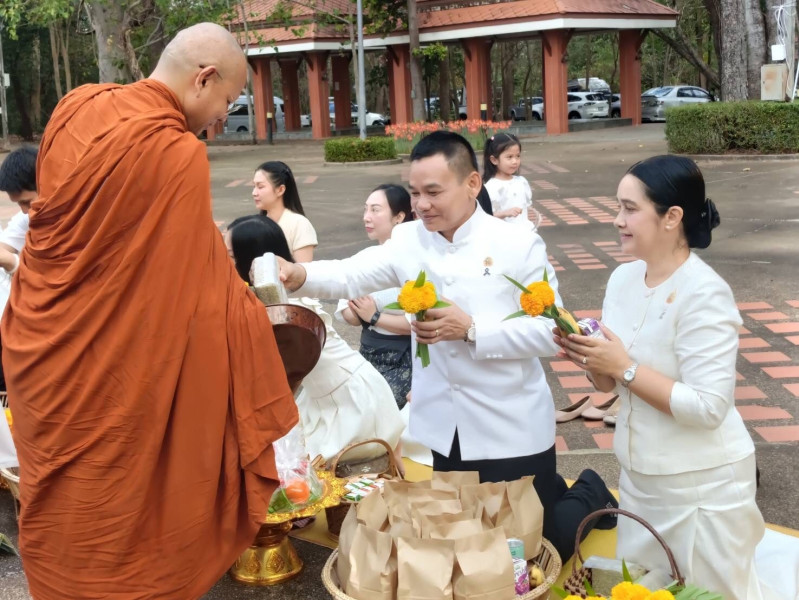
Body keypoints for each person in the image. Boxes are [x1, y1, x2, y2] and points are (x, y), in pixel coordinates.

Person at [1, 23, 299, 600]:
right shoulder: (175, 154)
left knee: (68, 519)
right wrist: (249, 317)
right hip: (120, 379)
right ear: (203, 78)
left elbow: (97, 259)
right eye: (228, 101)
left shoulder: (76, 106)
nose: (223, 118)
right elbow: (195, 295)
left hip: (48, 354)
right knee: (125, 526)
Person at [278, 131, 617, 561]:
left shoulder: (516, 243)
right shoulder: (408, 239)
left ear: (472, 183)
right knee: (467, 540)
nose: (421, 204)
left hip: (509, 423)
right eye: (415, 192)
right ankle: (549, 490)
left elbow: (549, 331)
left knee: (536, 547)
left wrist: (472, 329)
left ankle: (590, 489)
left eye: (433, 192)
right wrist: (300, 276)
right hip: (446, 426)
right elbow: (350, 273)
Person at [556, 155, 788, 600]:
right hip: (640, 476)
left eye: (629, 208)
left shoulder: (705, 293)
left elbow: (708, 407)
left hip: (701, 484)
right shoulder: (623, 278)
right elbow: (610, 385)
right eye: (618, 207)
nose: (617, 220)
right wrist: (590, 358)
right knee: (642, 586)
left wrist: (622, 366)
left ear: (672, 217)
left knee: (707, 592)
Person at [226, 214, 404, 470]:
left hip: (352, 397)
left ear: (250, 258)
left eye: (230, 255)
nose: (224, 261)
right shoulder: (268, 298)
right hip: (322, 397)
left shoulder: (285, 308)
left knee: (312, 470)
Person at [335, 184, 414, 409]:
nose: (366, 217)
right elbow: (348, 313)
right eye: (366, 209)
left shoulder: (412, 259)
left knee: (383, 410)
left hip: (404, 359)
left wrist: (374, 316)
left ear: (399, 217)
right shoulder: (364, 257)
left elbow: (416, 323)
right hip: (368, 352)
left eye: (375, 210)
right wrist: (361, 312)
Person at [252, 160, 317, 262]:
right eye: (254, 186)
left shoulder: (299, 224)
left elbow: (303, 269)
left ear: (280, 190)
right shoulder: (255, 224)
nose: (254, 193)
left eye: (260, 187)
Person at [483, 132, 539, 229]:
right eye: (509, 157)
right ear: (494, 160)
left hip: (524, 231)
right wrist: (505, 213)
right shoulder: (491, 187)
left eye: (518, 156)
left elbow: (525, 209)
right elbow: (486, 216)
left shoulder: (521, 181)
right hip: (504, 233)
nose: (515, 161)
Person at [0, 146, 36, 277]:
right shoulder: (26, 218)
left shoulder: (78, 218)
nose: (24, 211)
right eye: (19, 204)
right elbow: (3, 248)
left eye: (27, 202)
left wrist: (12, 263)